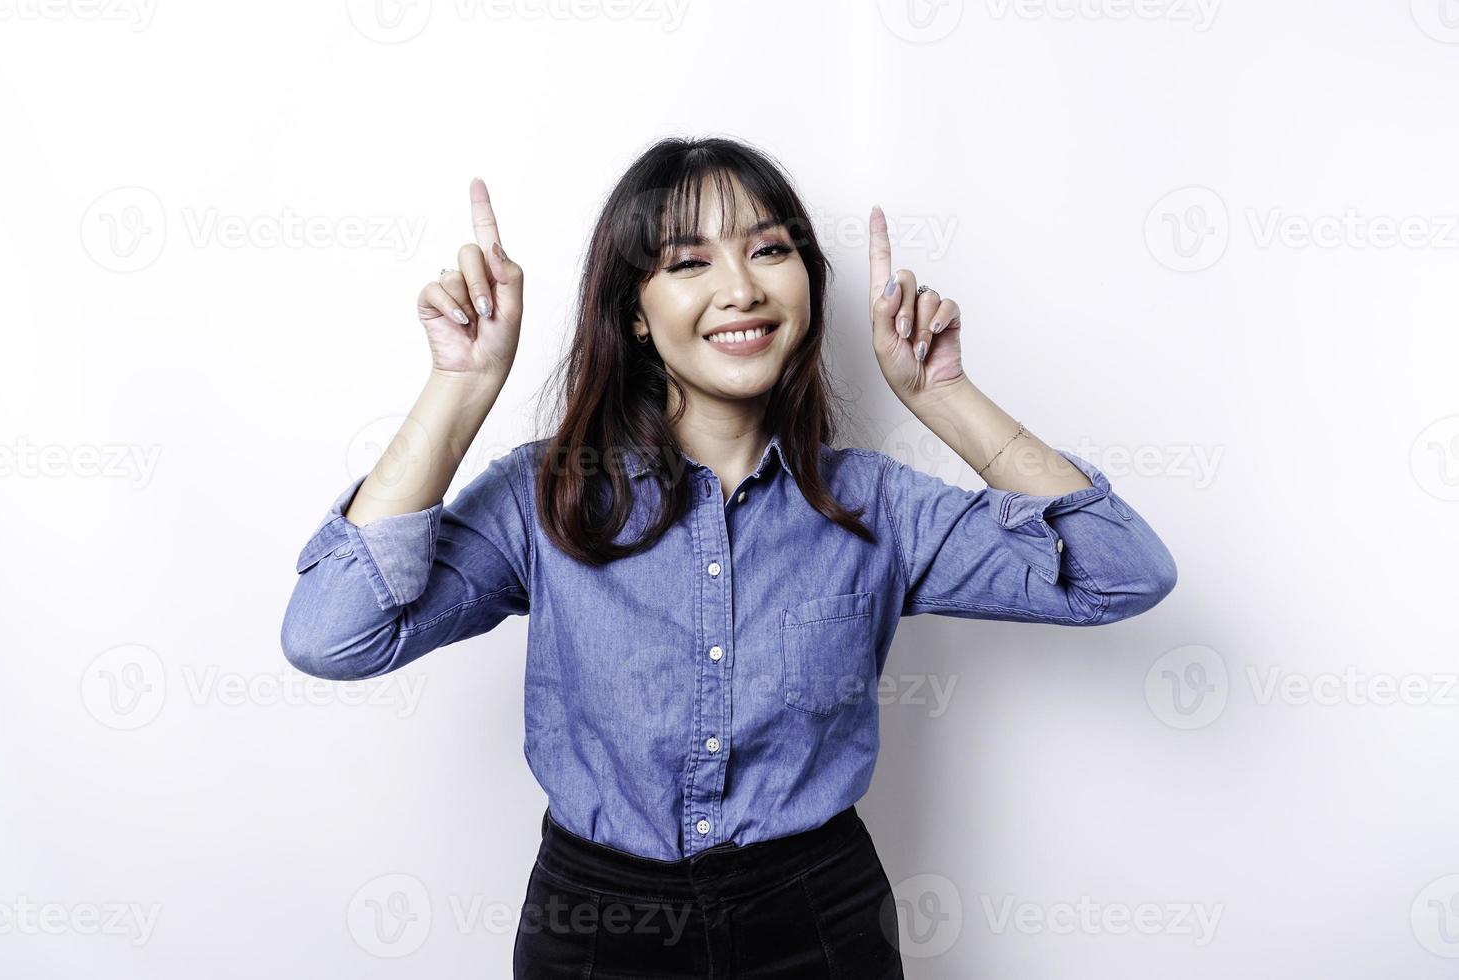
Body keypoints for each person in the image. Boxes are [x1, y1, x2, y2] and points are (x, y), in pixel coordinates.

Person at [280, 136, 1178, 978]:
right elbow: (333, 635)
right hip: (597, 927)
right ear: (634, 313)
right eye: (688, 262)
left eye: (770, 250)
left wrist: (940, 395)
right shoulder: (546, 495)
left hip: (819, 920)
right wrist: (462, 386)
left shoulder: (877, 505)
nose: (741, 288)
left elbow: (1118, 571)